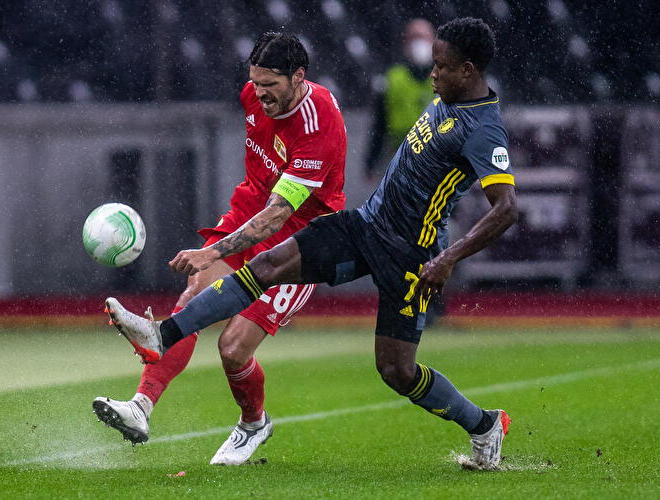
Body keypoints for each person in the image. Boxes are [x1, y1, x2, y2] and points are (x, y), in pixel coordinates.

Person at [109, 17, 518, 470]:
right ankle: (161, 335)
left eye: (440, 67)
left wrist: (447, 258)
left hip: (410, 255)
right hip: (364, 226)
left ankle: (484, 425)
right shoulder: (447, 97)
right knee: (267, 265)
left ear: (467, 70)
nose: (432, 74)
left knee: (397, 371)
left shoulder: (483, 129)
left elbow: (507, 209)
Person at [94, 31, 347, 466]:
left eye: (271, 85)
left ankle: (253, 424)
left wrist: (210, 252)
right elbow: (260, 196)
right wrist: (216, 253)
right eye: (255, 82)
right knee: (193, 297)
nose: (259, 93)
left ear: (299, 77)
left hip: (299, 240)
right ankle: (140, 407)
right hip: (250, 211)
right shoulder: (253, 94)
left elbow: (279, 215)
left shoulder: (319, 122)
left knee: (232, 349)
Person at [365, 18, 435, 178]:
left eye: (423, 37)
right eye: (414, 37)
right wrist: (371, 161)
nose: (419, 43)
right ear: (406, 44)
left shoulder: (448, 77)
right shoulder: (392, 79)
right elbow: (379, 124)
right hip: (400, 161)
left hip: (439, 162)